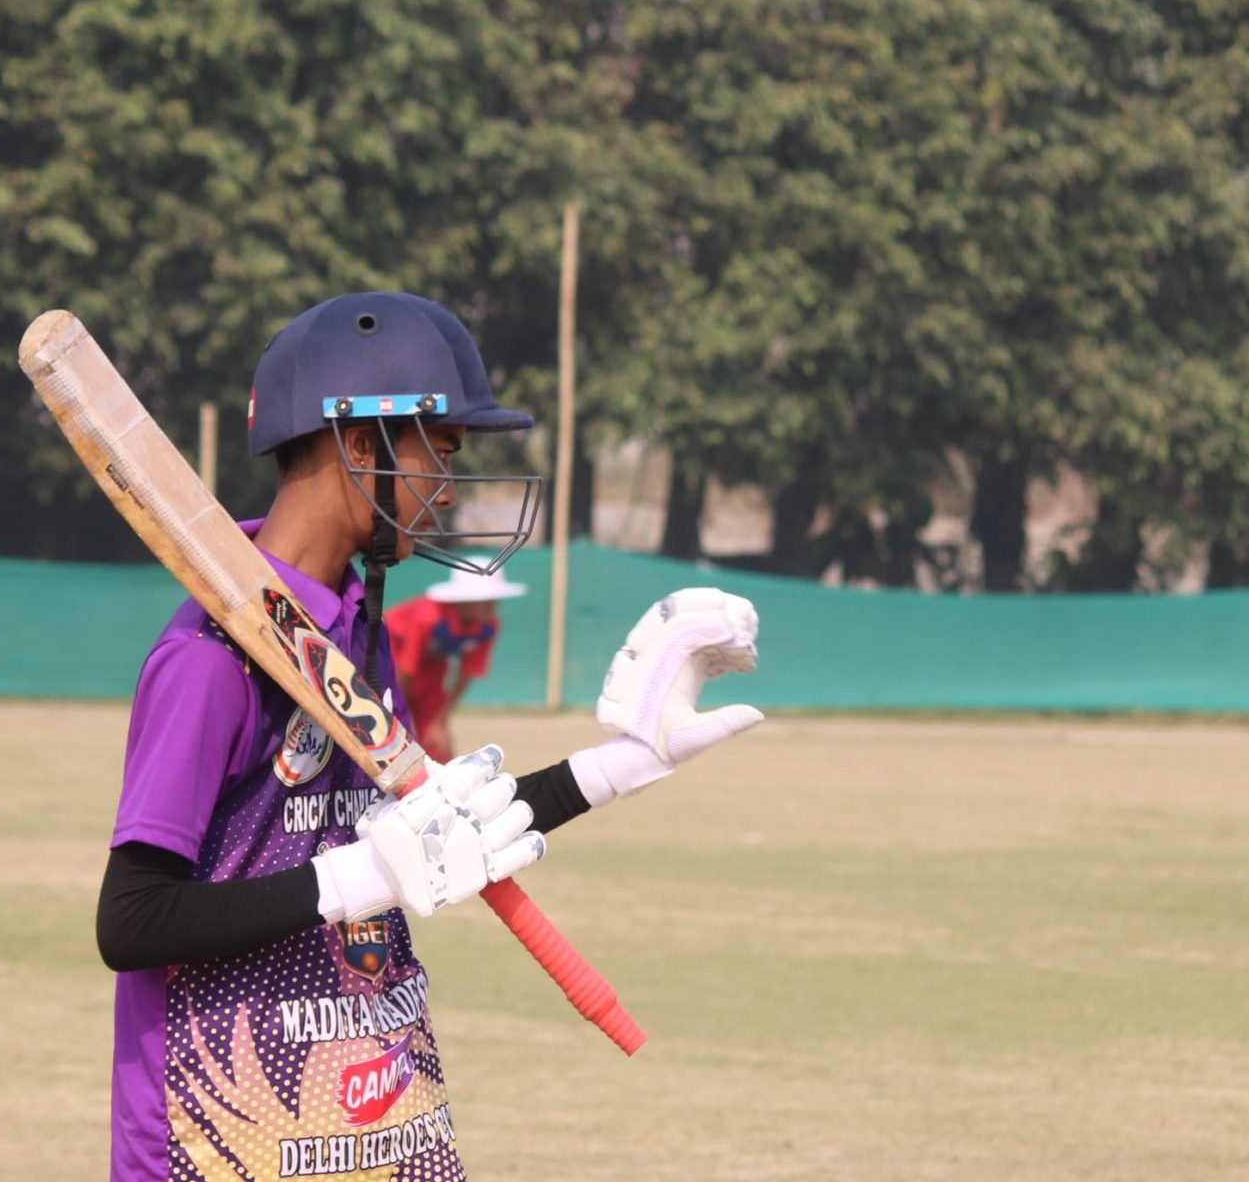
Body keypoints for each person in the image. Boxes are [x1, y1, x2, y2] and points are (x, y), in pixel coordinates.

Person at [92, 292, 764, 1181]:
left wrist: (620, 766)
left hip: (378, 1114)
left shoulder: (357, 630)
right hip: (221, 1133)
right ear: (359, 443)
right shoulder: (208, 661)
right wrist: (359, 877)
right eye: (439, 452)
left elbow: (436, 826)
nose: (448, 487)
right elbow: (133, 922)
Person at [384, 564, 527, 760]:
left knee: (438, 744)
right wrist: (392, 716)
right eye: (485, 600)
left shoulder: (488, 627)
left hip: (433, 664)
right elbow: (405, 670)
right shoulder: (427, 616)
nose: (492, 606)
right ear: (464, 600)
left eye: (495, 599)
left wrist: (439, 722)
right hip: (391, 654)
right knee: (393, 738)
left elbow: (467, 673)